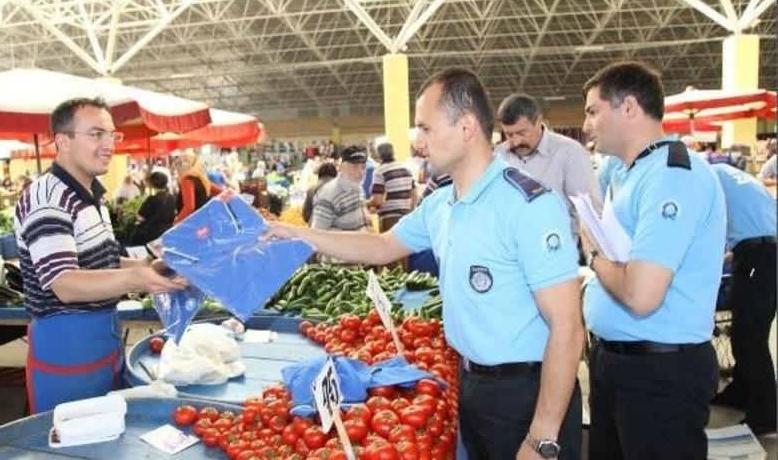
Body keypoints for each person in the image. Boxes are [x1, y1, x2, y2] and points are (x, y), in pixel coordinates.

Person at [266, 67, 583, 459]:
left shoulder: (527, 205)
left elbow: (567, 327)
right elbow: (381, 246)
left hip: (529, 393)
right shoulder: (440, 205)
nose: (417, 141)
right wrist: (298, 234)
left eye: (426, 128)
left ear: (466, 127)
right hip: (473, 385)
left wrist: (542, 436)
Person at [581, 61, 726, 459]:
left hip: (659, 374)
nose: (587, 123)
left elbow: (642, 294)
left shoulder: (672, 176)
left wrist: (592, 255)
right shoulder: (629, 172)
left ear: (628, 108)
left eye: (594, 110)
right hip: (618, 362)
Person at [14, 97, 186, 413]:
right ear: (62, 141)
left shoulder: (91, 194)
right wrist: (134, 278)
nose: (109, 144)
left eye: (112, 135)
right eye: (96, 134)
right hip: (66, 348)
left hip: (104, 338)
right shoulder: (47, 199)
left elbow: (101, 262)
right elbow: (64, 284)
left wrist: (152, 267)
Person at [710, 163, 776, 435]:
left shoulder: (704, 179)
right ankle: (741, 389)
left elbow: (707, 228)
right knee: (747, 332)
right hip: (765, 251)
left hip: (756, 255)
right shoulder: (727, 172)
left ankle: (766, 414)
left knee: (750, 338)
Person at [496, 93, 601, 242]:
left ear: (538, 121)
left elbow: (590, 212)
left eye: (522, 133)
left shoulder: (570, 152)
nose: (516, 141)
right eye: (509, 134)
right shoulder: (498, 156)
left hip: (559, 251)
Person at [309, 145, 370, 235]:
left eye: (363, 167)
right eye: (355, 167)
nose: (360, 173)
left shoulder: (357, 187)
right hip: (342, 248)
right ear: (342, 167)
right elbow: (318, 234)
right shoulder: (329, 195)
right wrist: (353, 236)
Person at [369, 142, 416, 233]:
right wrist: (409, 212)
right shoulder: (405, 170)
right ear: (393, 153)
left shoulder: (380, 172)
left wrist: (366, 205)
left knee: (389, 246)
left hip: (389, 218)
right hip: (406, 216)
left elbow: (378, 201)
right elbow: (414, 195)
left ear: (378, 155)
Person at [131, 172, 176, 246]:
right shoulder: (172, 198)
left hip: (151, 235)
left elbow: (140, 218)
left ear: (152, 184)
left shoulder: (152, 199)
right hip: (167, 233)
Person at [175, 152, 220, 224]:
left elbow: (189, 207)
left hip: (192, 223)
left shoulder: (186, 180)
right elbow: (222, 192)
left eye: (180, 163)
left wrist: (176, 223)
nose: (177, 167)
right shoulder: (202, 179)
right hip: (204, 219)